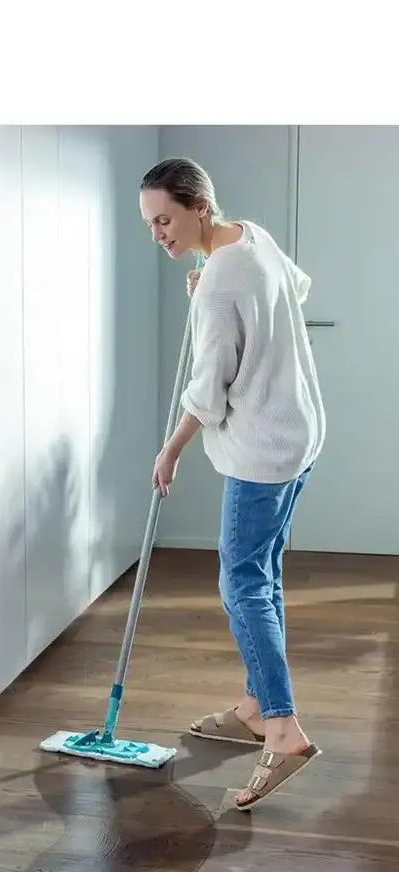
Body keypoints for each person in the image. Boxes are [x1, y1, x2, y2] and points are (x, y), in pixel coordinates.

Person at [138, 157, 325, 810]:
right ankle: (252, 706)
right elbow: (293, 290)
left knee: (240, 581)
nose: (158, 233)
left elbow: (208, 390)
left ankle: (283, 727)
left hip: (263, 449)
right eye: (151, 223)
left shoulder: (217, 282)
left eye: (165, 219)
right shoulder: (252, 235)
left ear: (198, 208)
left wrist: (171, 449)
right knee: (263, 572)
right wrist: (212, 297)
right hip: (302, 433)